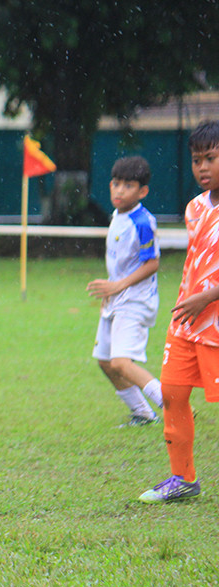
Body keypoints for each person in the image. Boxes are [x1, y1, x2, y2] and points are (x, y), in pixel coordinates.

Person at [140, 120, 219, 502]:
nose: (202, 168)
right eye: (196, 160)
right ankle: (182, 478)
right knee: (172, 393)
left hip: (216, 325)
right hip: (186, 322)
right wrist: (194, 299)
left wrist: (209, 296)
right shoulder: (194, 208)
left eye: (211, 159)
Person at [87, 155, 163, 427]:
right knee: (106, 362)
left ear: (142, 191)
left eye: (128, 186)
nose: (119, 190)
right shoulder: (117, 216)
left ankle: (173, 403)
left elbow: (152, 263)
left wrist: (118, 285)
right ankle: (143, 414)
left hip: (135, 300)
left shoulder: (143, 221)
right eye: (116, 183)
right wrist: (111, 289)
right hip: (116, 299)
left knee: (121, 362)